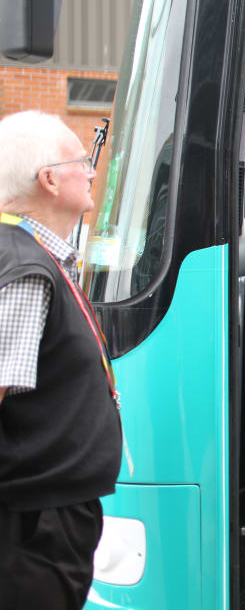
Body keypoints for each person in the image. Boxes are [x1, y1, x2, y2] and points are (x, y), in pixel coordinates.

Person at [0, 111, 123, 609]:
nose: (93, 170)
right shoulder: (26, 267)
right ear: (49, 179)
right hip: (32, 524)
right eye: (82, 161)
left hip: (41, 514)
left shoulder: (31, 255)